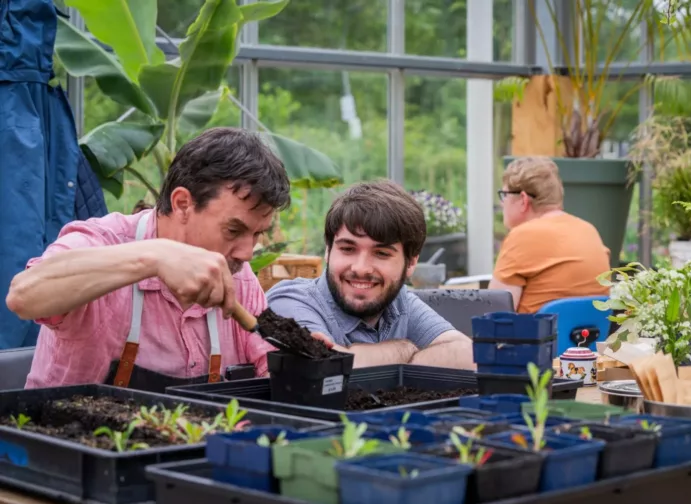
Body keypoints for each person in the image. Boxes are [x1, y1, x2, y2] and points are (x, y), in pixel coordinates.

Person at [5, 127, 294, 390]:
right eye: (233, 230)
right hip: (69, 444)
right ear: (182, 204)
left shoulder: (238, 278)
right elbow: (24, 295)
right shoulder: (104, 241)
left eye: (257, 235)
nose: (246, 253)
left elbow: (270, 361)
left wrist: (305, 359)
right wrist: (154, 257)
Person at [266, 181, 474, 370]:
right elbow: (323, 370)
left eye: (381, 254)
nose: (361, 268)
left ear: (410, 263)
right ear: (328, 250)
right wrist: (405, 350)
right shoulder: (290, 302)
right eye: (348, 249)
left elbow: (468, 355)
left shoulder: (400, 303)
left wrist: (364, 359)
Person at [489, 157, 610, 313]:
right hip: (589, 337)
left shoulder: (522, 236)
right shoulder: (589, 231)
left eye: (504, 195)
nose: (502, 203)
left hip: (535, 336)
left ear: (524, 200)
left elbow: (493, 314)